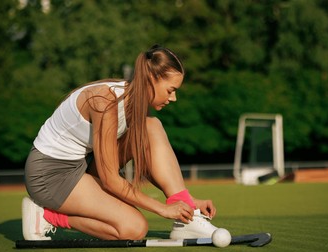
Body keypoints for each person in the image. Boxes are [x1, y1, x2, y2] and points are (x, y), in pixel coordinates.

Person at [22, 45, 218, 241]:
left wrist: (187, 202)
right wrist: (163, 209)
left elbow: (150, 160)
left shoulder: (134, 102)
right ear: (151, 79)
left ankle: (187, 218)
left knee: (152, 127)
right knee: (134, 228)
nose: (173, 98)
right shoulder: (105, 102)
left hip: (82, 166)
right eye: (171, 90)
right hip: (50, 176)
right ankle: (48, 216)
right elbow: (110, 180)